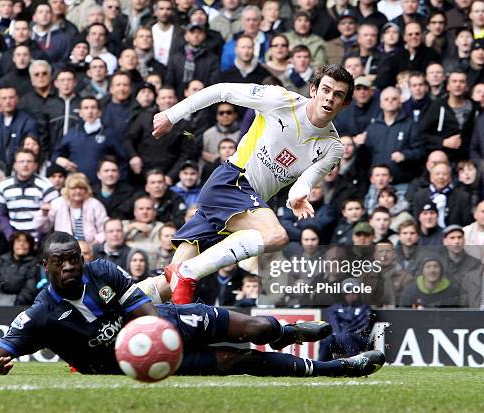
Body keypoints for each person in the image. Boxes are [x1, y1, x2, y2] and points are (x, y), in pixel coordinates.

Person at [0, 232, 385, 377]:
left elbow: (145, 311)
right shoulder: (40, 315)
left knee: (254, 330)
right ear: (45, 266)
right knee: (235, 361)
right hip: (124, 363)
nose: (70, 266)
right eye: (60, 261)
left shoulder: (102, 270)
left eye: (74, 258)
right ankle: (338, 369)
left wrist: (162, 337)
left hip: (159, 326)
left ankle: (285, 333)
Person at [146, 64, 353, 304]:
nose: (330, 98)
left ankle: (119, 306)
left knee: (167, 286)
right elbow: (222, 90)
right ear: (313, 89)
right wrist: (171, 115)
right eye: (326, 90)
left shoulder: (333, 147)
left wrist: (299, 196)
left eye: (338, 95)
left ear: (345, 103)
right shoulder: (280, 99)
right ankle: (187, 273)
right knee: (276, 236)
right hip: (232, 180)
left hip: (246, 205)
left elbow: (305, 182)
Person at [0, 148, 59, 240]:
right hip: (14, 240)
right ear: (15, 165)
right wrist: (10, 235)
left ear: (35, 165)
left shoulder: (47, 186)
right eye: (21, 161)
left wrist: (38, 239)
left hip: (40, 240)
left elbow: (53, 216)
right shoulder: (4, 185)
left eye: (29, 161)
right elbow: (2, 214)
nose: (25, 165)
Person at [34, 172, 108, 246]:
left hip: (90, 248)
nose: (78, 191)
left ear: (86, 190)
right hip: (63, 247)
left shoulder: (95, 204)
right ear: (67, 190)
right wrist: (44, 214)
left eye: (81, 188)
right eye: (74, 188)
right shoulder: (58, 203)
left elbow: (105, 229)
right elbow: (42, 229)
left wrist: (95, 243)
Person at [0, 230, 40, 306]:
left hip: (21, 307)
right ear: (13, 244)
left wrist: (14, 304)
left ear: (30, 245)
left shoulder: (34, 263)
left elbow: (30, 289)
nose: (21, 244)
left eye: (25, 241)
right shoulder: (0, 260)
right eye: (18, 241)